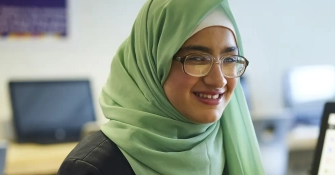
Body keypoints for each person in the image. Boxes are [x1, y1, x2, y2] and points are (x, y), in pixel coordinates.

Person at [58, 0, 264, 174]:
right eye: (197, 59)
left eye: (229, 59)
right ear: (153, 63)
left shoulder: (232, 145)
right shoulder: (93, 168)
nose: (219, 81)